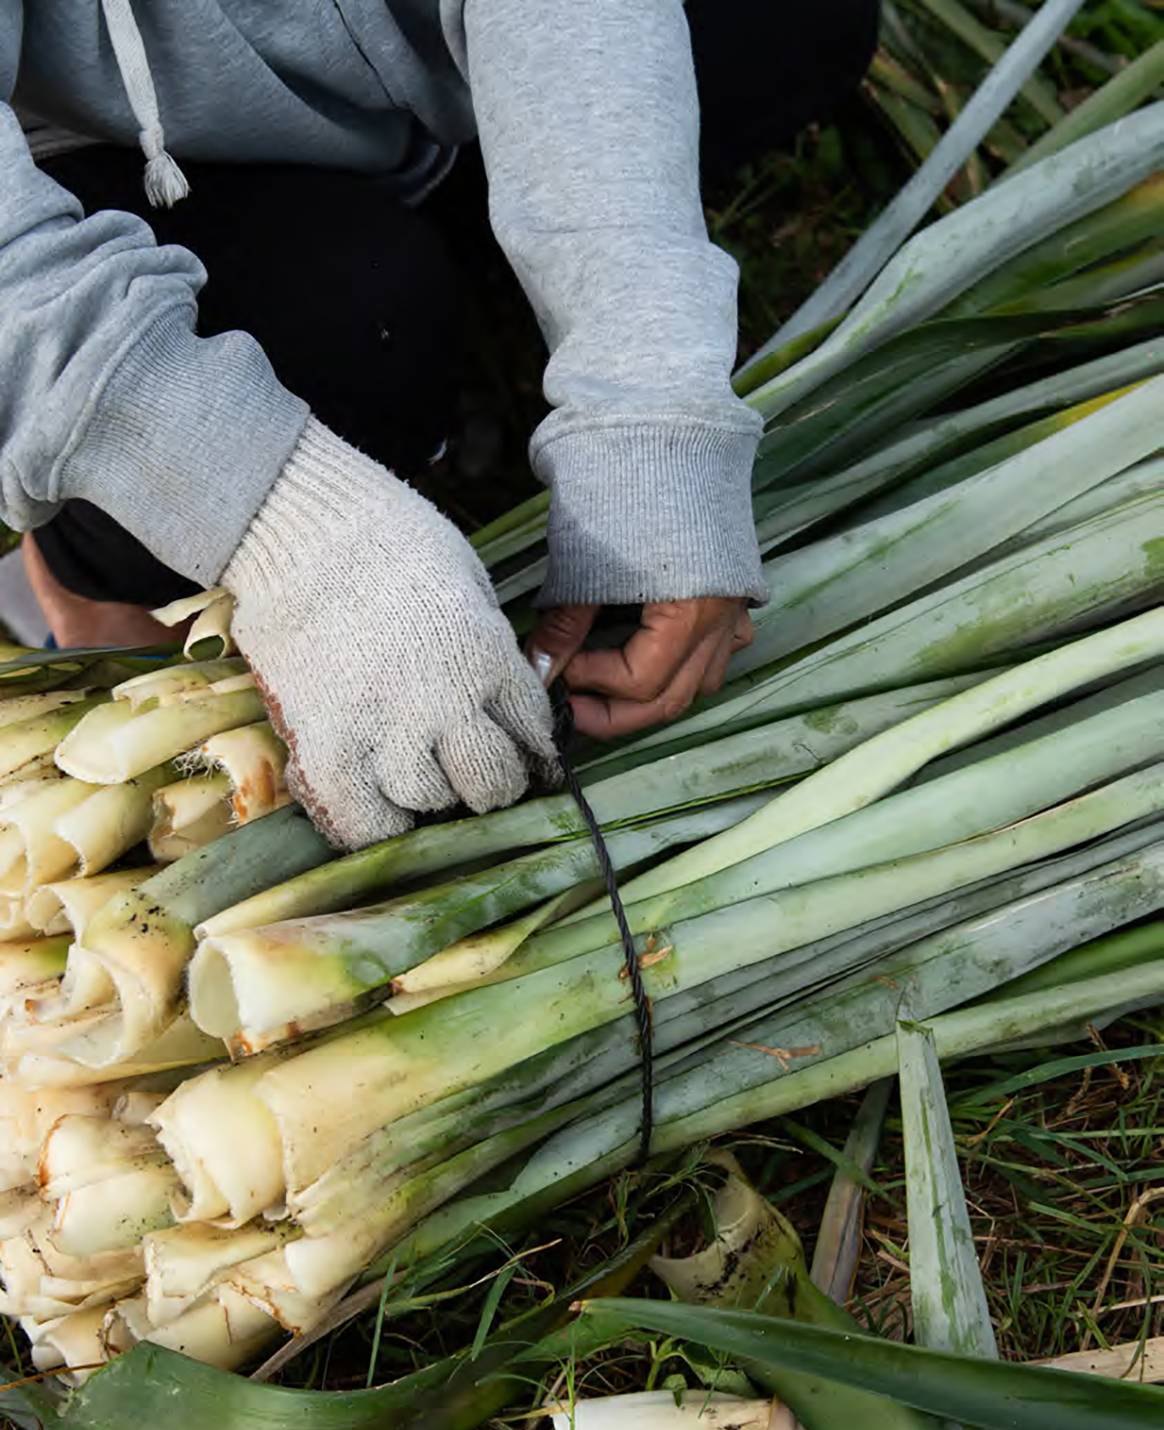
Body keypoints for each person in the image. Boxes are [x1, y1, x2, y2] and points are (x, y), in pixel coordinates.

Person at [2, 0, 878, 850]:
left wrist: (645, 413)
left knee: (792, 22)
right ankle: (91, 562)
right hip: (83, 174)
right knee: (358, 320)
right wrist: (284, 522)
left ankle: (438, 265)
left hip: (403, 76)